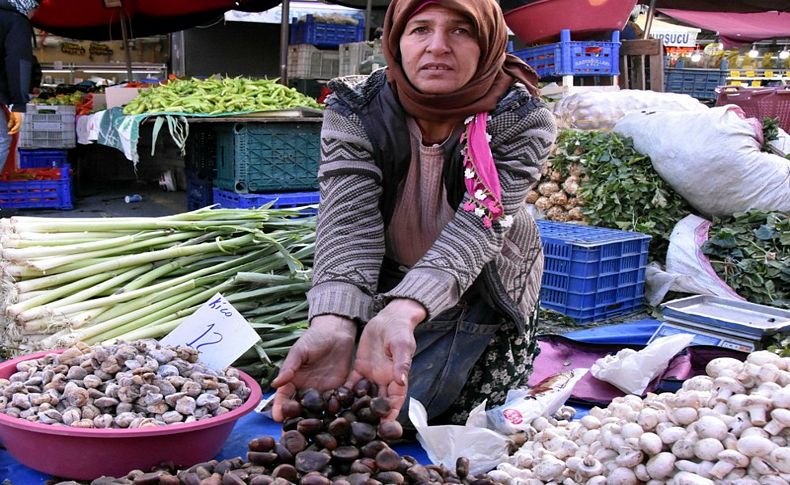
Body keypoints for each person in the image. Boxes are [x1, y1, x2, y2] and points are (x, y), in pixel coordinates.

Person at [272, 0, 557, 426]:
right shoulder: (355, 108)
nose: (437, 46)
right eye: (420, 29)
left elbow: (480, 224)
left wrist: (405, 309)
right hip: (387, 272)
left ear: (489, 43)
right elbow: (348, 220)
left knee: (455, 418)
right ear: (396, 39)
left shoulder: (521, 118)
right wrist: (334, 319)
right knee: (361, 408)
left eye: (461, 31)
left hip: (484, 281)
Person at [0, 0, 38, 171]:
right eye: (35, 8)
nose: (34, 15)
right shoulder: (15, 20)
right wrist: (18, 103)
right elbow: (18, 63)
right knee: (1, 140)